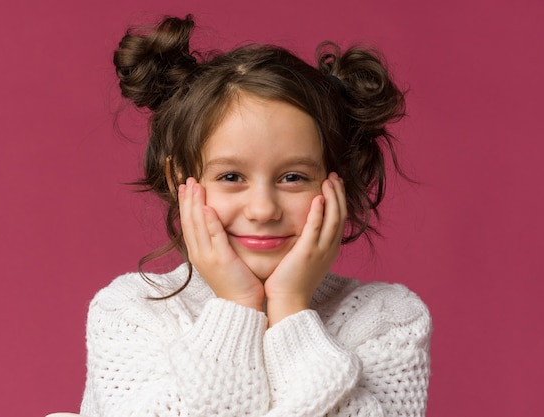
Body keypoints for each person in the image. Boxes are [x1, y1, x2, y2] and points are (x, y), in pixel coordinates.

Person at [80, 14, 431, 417]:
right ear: (182, 178)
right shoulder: (131, 312)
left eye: (293, 177)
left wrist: (291, 308)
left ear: (338, 180)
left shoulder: (389, 319)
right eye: (231, 176)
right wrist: (237, 306)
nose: (263, 210)